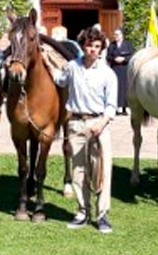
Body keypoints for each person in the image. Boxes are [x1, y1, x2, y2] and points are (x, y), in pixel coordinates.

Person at [50, 26, 117, 234]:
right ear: (83, 46)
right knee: (79, 171)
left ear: (101, 49)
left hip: (99, 125)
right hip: (76, 124)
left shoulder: (108, 74)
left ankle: (102, 215)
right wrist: (48, 63)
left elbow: (111, 105)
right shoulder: (72, 67)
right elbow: (60, 80)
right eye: (89, 46)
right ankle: (82, 213)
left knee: (102, 170)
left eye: (97, 47)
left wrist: (102, 122)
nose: (93, 50)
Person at [106, 29, 134, 115]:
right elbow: (108, 57)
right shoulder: (112, 45)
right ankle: (117, 108)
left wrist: (124, 59)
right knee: (116, 88)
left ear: (122, 36)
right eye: (114, 35)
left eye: (117, 35)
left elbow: (132, 56)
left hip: (125, 69)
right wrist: (114, 59)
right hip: (115, 69)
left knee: (125, 88)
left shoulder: (128, 44)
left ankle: (126, 107)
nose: (115, 36)